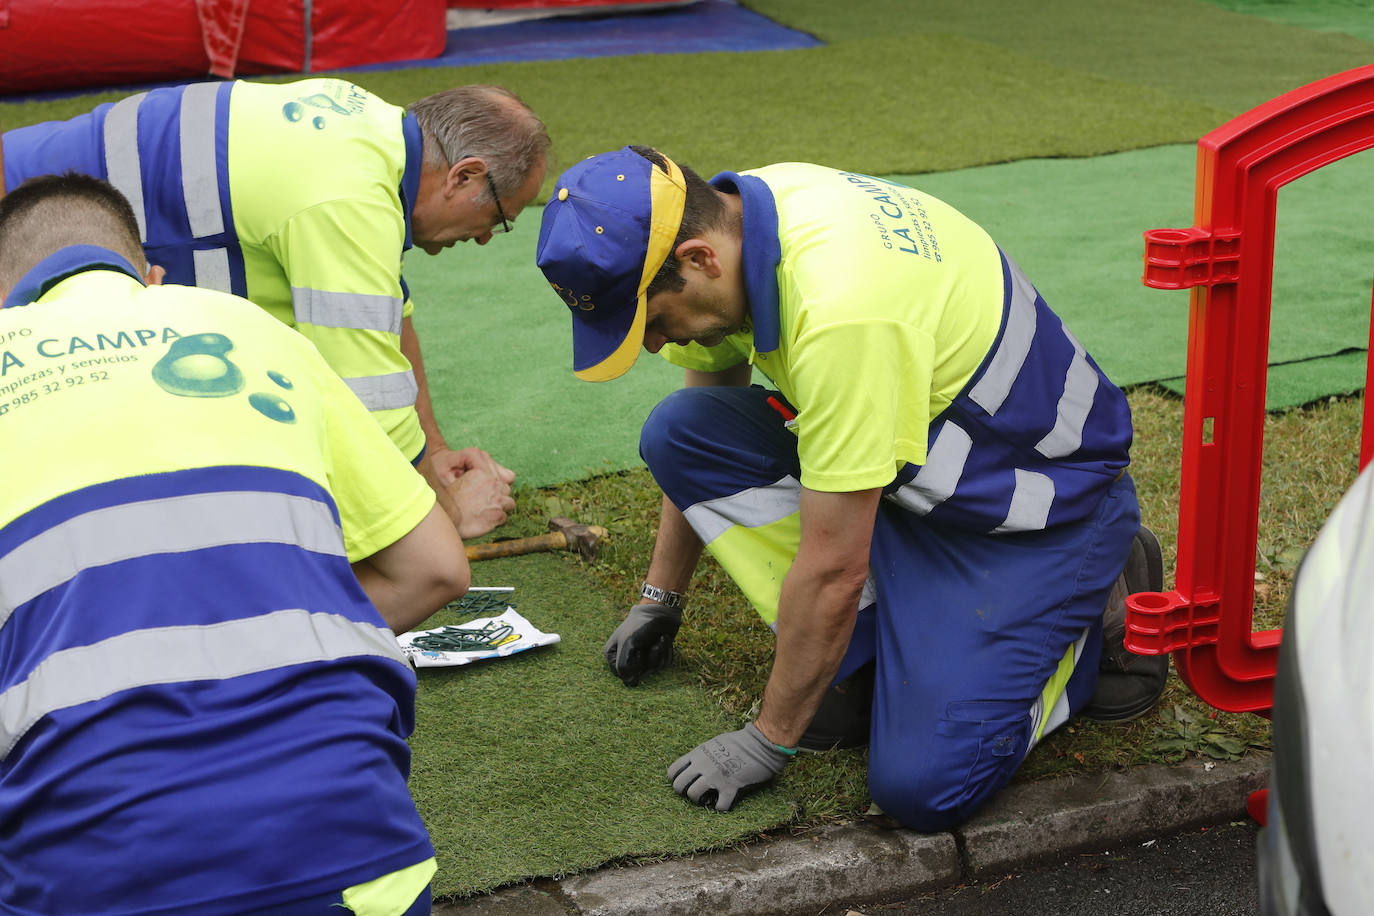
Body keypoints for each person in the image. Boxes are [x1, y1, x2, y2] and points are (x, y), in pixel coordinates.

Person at [535, 146, 1168, 830]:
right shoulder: (747, 215)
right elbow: (711, 397)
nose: (655, 345)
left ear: (699, 260)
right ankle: (864, 662)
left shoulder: (843, 309)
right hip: (925, 482)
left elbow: (834, 568)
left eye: (653, 322)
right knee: (682, 432)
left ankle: (1098, 599)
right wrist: (660, 599)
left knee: (924, 788)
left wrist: (768, 738)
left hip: (1041, 512)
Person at [0, 173, 469, 914]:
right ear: (150, 278)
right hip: (354, 855)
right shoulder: (248, 327)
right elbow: (436, 569)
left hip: (94, 876)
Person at [1, 77, 553, 539]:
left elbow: (388, 313)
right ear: (464, 175)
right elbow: (371, 404)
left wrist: (433, 451)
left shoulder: (370, 130)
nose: (487, 239)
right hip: (20, 224)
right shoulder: (349, 200)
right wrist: (447, 516)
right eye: (501, 217)